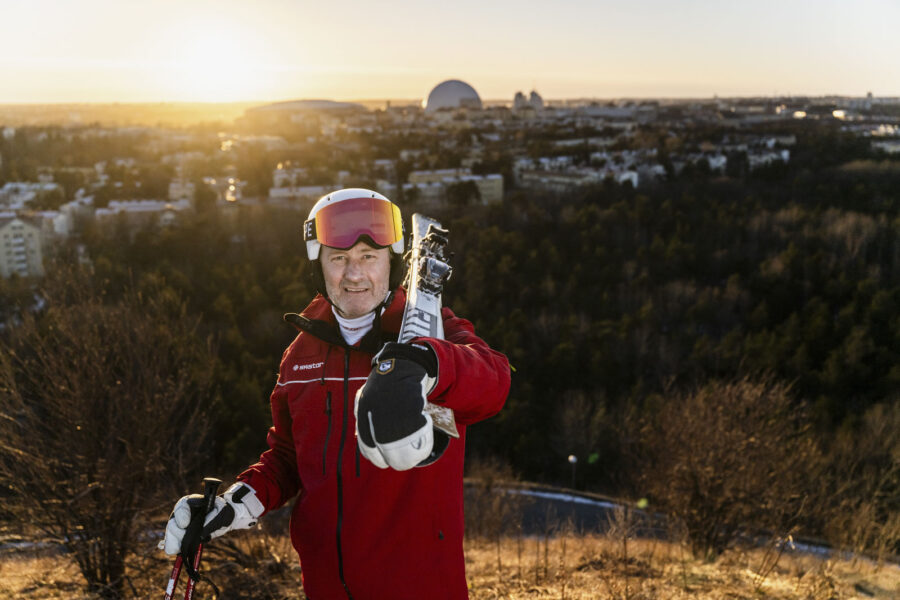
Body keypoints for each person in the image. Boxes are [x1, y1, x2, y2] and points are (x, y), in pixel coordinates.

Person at [161, 188, 510, 599]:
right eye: (339, 258)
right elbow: (290, 457)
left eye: (369, 257)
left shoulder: (435, 332)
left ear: (391, 263)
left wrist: (428, 365)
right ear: (319, 267)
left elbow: (495, 380)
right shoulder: (300, 356)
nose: (355, 273)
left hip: (419, 585)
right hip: (326, 586)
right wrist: (236, 504)